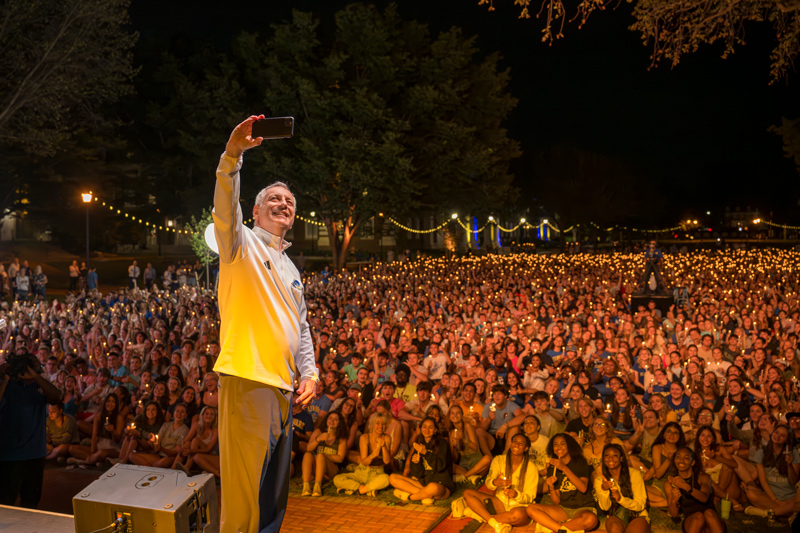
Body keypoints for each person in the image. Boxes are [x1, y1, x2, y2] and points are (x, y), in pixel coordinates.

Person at [213, 115, 318, 533]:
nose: (284, 204)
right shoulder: (240, 245)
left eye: (289, 201)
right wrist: (232, 156)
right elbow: (225, 208)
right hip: (247, 381)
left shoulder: (290, 266)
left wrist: (309, 372)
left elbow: (302, 326)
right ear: (255, 210)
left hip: (284, 389)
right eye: (274, 198)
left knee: (272, 497)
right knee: (243, 498)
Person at [0, 354, 63, 508]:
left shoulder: (39, 387)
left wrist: (35, 377)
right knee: (6, 501)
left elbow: (57, 397)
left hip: (35, 454)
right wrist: (5, 379)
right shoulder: (7, 386)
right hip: (10, 455)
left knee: (31, 501)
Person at [453, 433, 537, 533]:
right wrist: (495, 482)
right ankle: (497, 522)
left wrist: (516, 494)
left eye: (521, 443)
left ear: (526, 448)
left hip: (519, 506)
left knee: (516, 516)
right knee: (467, 493)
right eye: (514, 442)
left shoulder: (531, 468)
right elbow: (489, 482)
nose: (516, 445)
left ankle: (478, 514)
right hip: (500, 503)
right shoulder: (499, 460)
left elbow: (531, 496)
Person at [525, 433, 598, 533]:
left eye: (562, 444)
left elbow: (583, 488)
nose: (559, 447)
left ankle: (552, 528)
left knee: (591, 520)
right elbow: (556, 502)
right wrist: (551, 487)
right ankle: (562, 530)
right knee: (531, 508)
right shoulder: (552, 468)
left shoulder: (579, 462)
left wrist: (563, 467)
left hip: (583, 508)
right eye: (555, 444)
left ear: (569, 446)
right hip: (563, 509)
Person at [389, 417, 455, 504]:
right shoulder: (420, 444)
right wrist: (416, 463)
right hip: (424, 483)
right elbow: (418, 474)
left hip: (440, 484)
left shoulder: (442, 443)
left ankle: (409, 497)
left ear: (435, 430)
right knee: (393, 478)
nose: (427, 430)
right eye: (424, 427)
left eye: (431, 427)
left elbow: (440, 466)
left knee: (433, 488)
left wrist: (426, 453)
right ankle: (425, 495)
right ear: (420, 429)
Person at [664, 447, 723, 533]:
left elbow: (704, 498)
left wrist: (686, 487)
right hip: (692, 520)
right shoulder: (670, 483)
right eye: (678, 457)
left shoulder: (703, 477)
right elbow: (674, 514)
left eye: (686, 458)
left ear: (693, 462)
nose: (681, 461)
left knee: (708, 513)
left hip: (711, 519)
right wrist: (673, 500)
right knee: (699, 517)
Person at [593, 443, 650, 533]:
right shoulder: (600, 480)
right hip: (616, 516)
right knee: (615, 529)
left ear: (621, 458)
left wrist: (621, 499)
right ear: (603, 459)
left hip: (638, 515)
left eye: (614, 455)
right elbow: (605, 507)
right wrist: (604, 490)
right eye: (607, 456)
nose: (610, 459)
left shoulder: (634, 474)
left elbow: (641, 504)